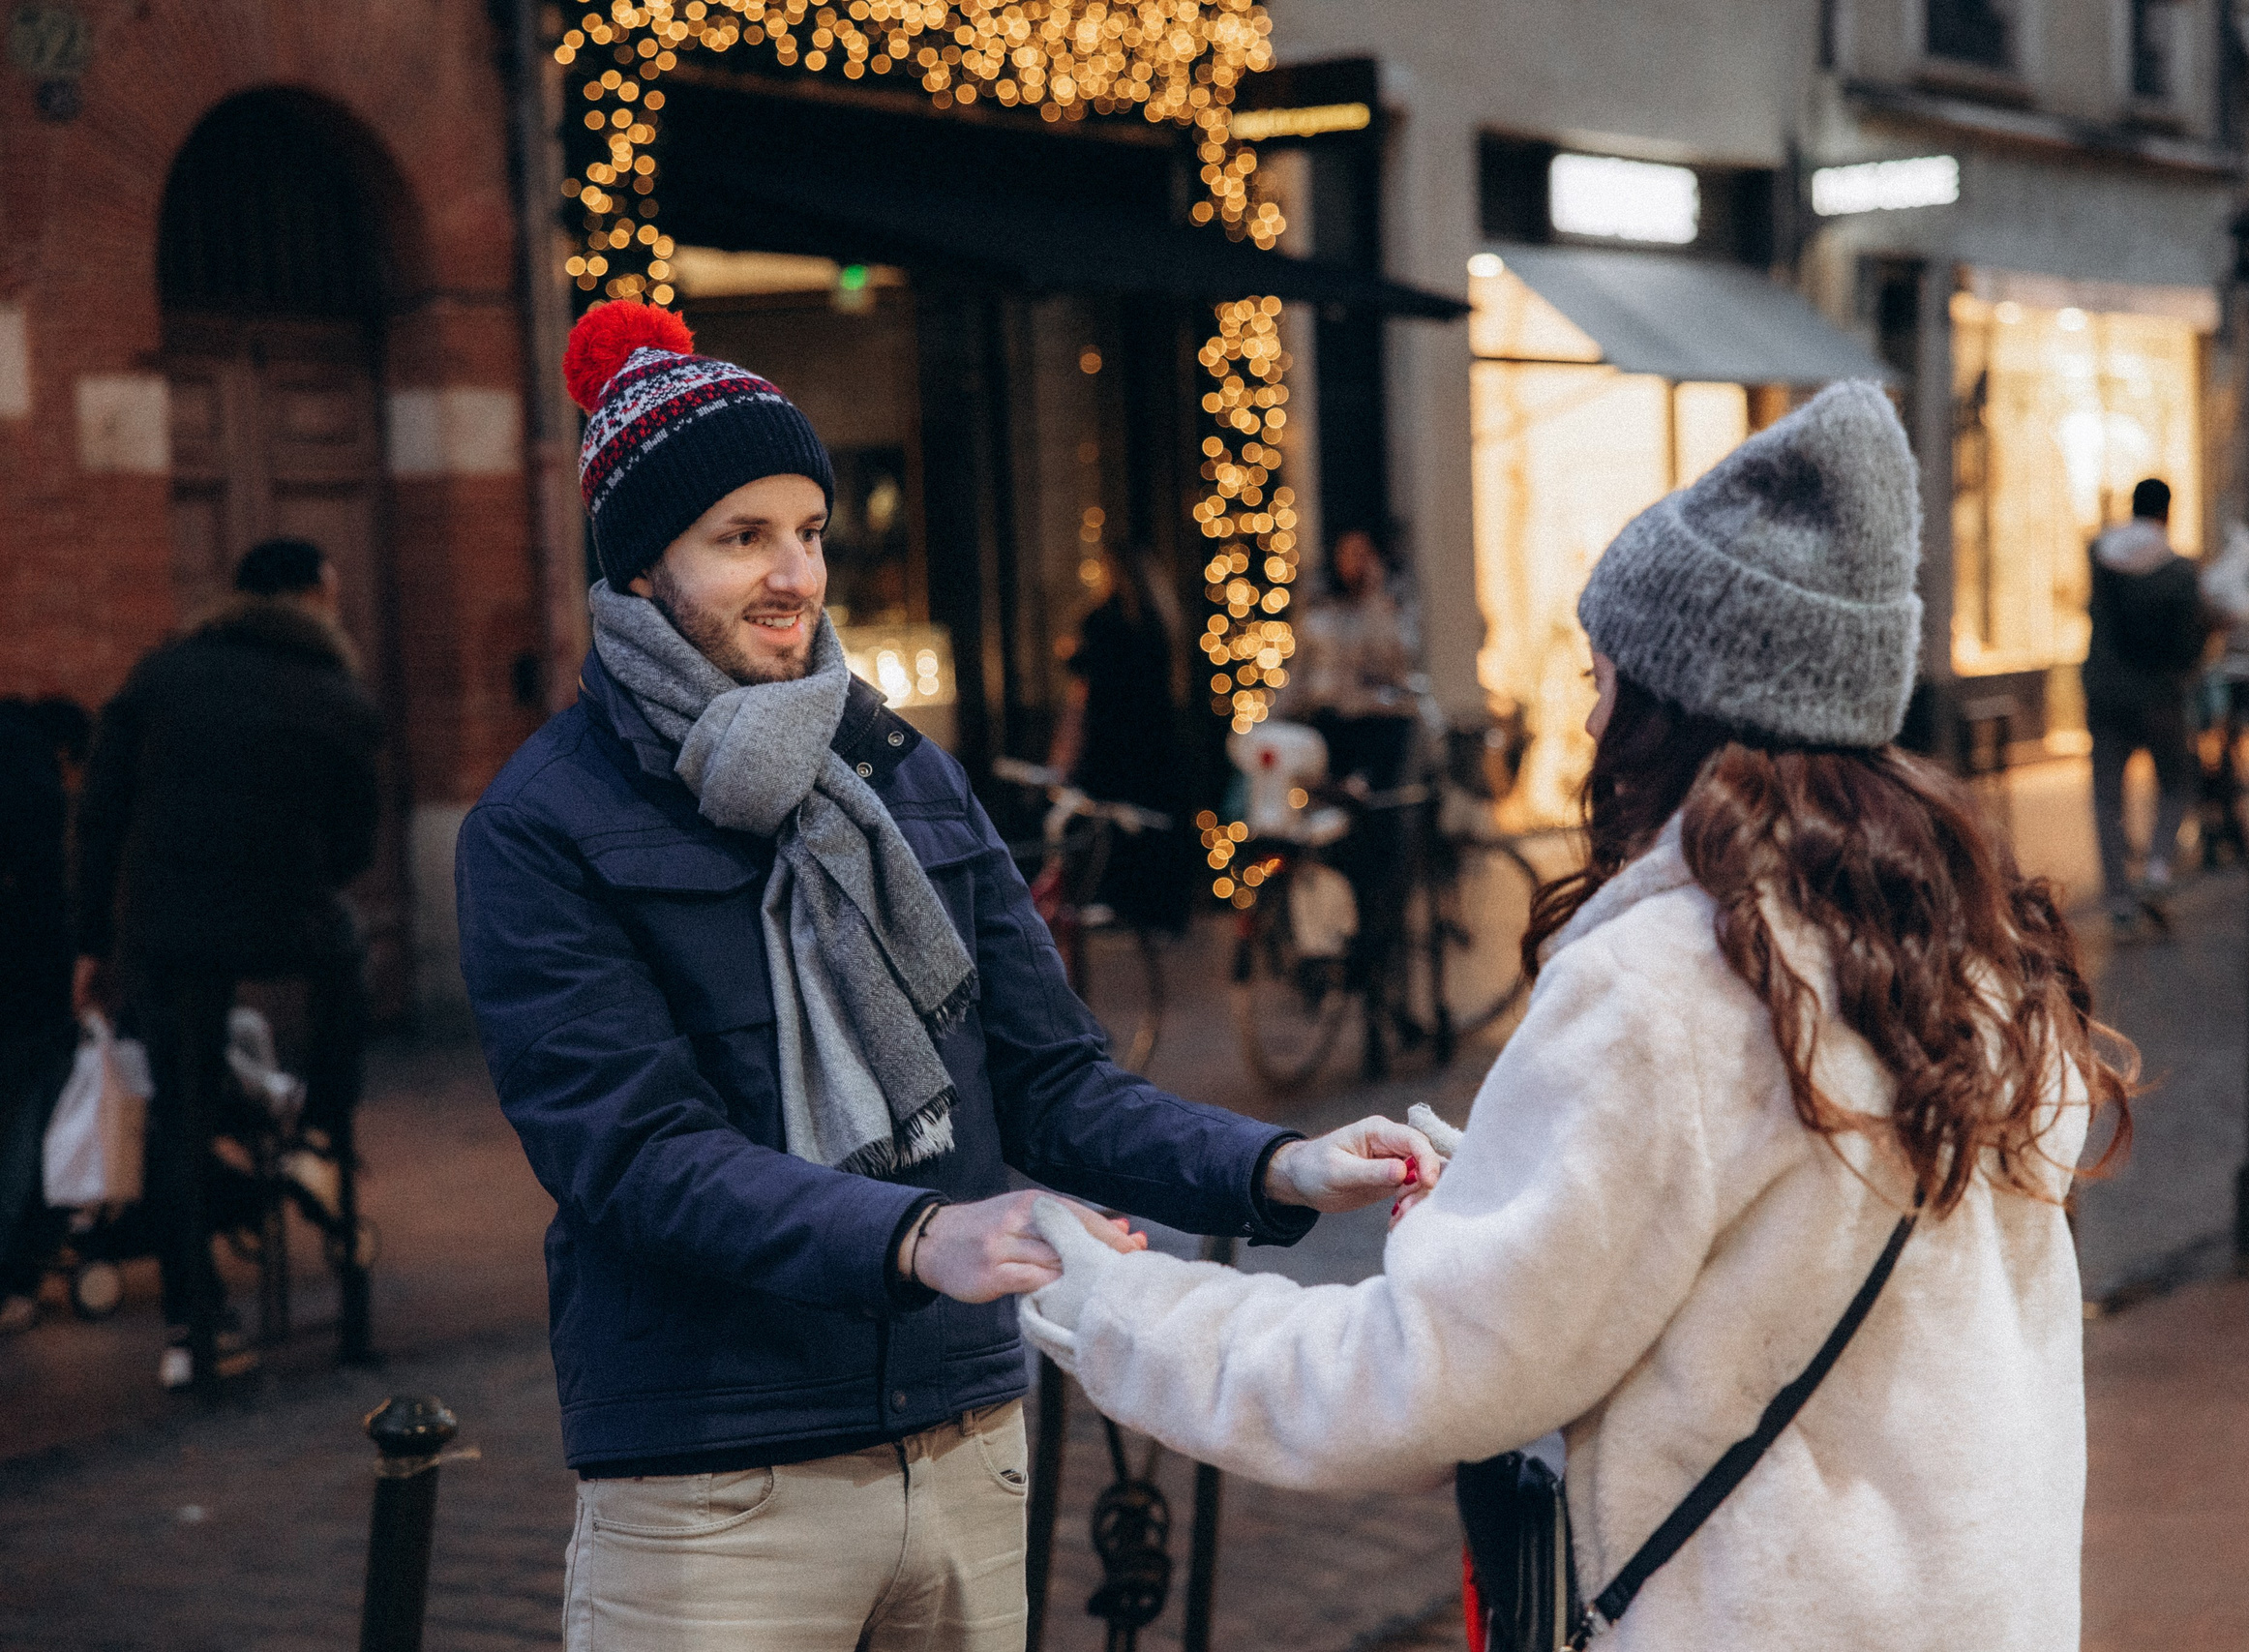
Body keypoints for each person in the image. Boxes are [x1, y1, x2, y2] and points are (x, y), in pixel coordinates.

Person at [1022, 383, 2129, 1651]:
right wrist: (1511, 1187)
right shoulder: (1979, 947)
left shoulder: (1672, 978)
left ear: (1676, 698)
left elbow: (1420, 1374)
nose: (1590, 716)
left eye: (1603, 676)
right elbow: (1780, 1260)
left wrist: (1113, 1302)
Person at [455, 302, 1438, 1652]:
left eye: (806, 528)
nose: (795, 571)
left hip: (968, 1438)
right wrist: (923, 1233)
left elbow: (1052, 1080)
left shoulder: (901, 773)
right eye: (741, 536)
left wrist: (1280, 1165)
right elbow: (633, 1152)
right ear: (638, 570)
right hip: (716, 1472)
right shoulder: (543, 821)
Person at [73, 537, 384, 1389]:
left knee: (180, 1109)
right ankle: (321, 1123)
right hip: (290, 915)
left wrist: (92, 942)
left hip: (172, 928)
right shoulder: (337, 693)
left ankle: (194, 1320)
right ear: (314, 596)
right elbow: (357, 841)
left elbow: (101, 818)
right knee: (346, 950)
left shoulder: (159, 676)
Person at [1292, 525, 1424, 1042]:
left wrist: (1374, 600)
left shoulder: (1392, 600)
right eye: (1346, 552)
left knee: (1381, 865)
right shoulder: (1319, 606)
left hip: (1378, 736)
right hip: (1331, 736)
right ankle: (1326, 959)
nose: (1353, 562)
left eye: (1362, 552)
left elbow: (1399, 660)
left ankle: (1383, 993)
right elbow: (1300, 674)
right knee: (1320, 850)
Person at [2084, 477, 2209, 940]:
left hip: (2105, 692)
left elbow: (2095, 615)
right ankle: (2157, 869)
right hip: (2160, 695)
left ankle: (2118, 900)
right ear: (2167, 512)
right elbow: (2192, 637)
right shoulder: (2179, 570)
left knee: (2106, 797)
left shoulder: (2100, 554)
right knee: (2176, 782)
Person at [1045, 542, 1193, 933]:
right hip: (1153, 740)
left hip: (1110, 739)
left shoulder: (1101, 620)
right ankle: (1153, 910)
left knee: (1109, 824)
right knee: (1144, 824)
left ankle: (1113, 904)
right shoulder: (1158, 621)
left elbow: (1084, 684)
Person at [0, 696, 88, 1333]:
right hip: (27, 984)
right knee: (26, 1128)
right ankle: (13, 1280)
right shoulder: (29, 772)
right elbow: (43, 887)